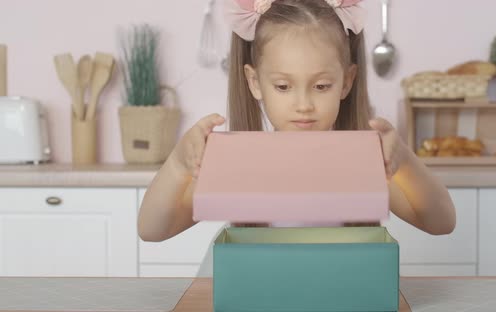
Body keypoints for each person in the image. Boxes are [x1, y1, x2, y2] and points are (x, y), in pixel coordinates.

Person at [138, 0, 456, 276]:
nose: (303, 105)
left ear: (347, 82)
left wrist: (403, 159)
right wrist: (179, 163)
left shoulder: (363, 160)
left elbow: (441, 222)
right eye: (283, 86)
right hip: (256, 295)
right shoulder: (240, 161)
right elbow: (153, 230)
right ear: (254, 81)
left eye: (321, 86)